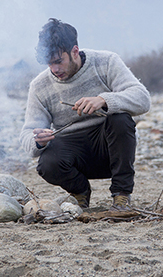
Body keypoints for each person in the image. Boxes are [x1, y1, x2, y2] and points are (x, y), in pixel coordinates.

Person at [19, 19, 151, 211]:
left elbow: (143, 99)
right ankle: (80, 192)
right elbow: (27, 134)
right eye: (49, 63)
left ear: (74, 51)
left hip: (111, 149)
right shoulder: (39, 86)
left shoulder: (106, 61)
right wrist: (38, 140)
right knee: (46, 162)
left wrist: (104, 100)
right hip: (73, 155)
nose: (54, 69)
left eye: (58, 61)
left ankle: (121, 196)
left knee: (120, 119)